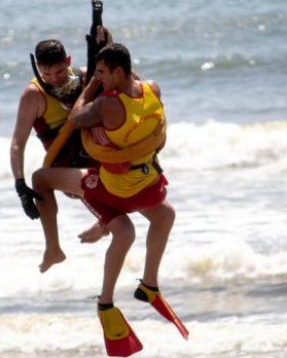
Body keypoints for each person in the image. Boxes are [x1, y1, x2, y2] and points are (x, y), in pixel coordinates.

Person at [32, 44, 184, 354]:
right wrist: (104, 46)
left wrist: (89, 86)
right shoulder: (151, 88)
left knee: (40, 179)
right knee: (163, 215)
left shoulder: (107, 106)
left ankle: (69, 264)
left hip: (113, 186)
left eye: (102, 72)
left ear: (116, 72)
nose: (98, 77)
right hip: (147, 181)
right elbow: (158, 134)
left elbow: (76, 117)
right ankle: (149, 284)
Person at [10, 38, 109, 271]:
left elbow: (126, 81)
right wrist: (20, 186)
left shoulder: (86, 77)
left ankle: (103, 225)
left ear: (68, 61)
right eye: (47, 74)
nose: (55, 78)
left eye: (60, 71)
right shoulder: (33, 95)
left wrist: (105, 41)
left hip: (102, 157)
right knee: (39, 179)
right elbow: (17, 143)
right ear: (38, 69)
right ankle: (53, 247)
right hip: (69, 166)